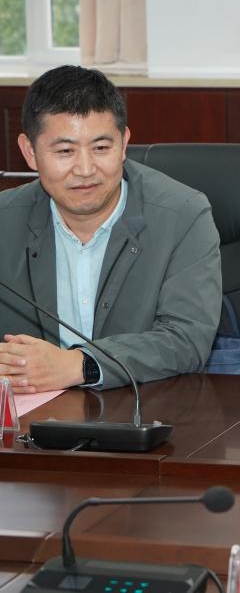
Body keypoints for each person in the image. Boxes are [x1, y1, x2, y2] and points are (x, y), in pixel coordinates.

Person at [0, 65, 222, 393]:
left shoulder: (183, 215)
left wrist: (79, 365)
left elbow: (187, 339)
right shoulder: (5, 220)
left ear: (124, 143)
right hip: (31, 412)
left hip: (147, 407)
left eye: (101, 148)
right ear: (30, 152)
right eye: (65, 151)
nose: (85, 169)